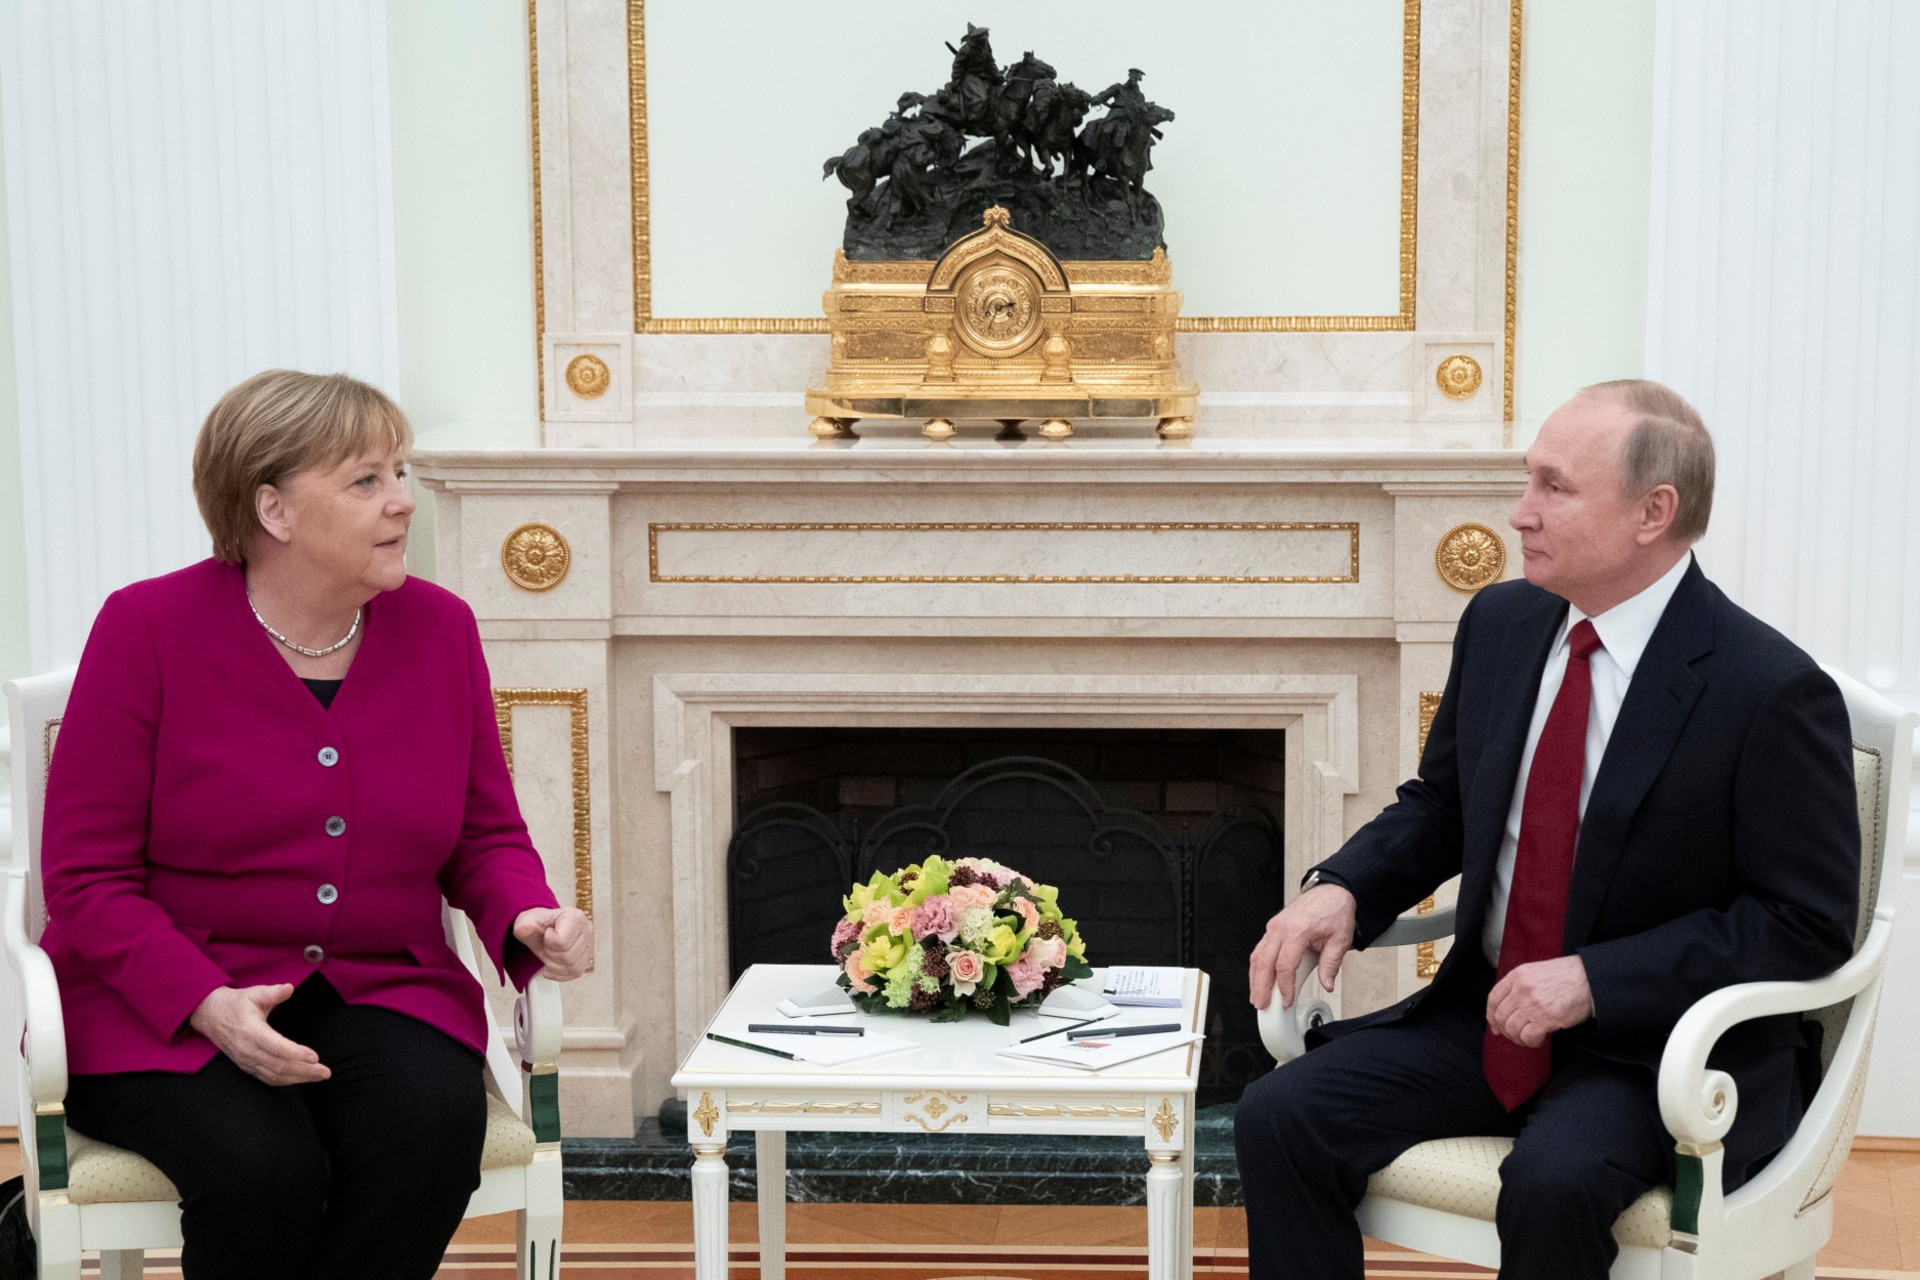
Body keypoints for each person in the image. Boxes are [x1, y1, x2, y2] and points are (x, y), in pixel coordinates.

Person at [1235, 380, 1860, 1280]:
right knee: (1277, 1114)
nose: (1521, 514)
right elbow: (1443, 806)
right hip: (1483, 1015)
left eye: (1554, 488)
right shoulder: (1502, 622)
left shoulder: (1767, 689)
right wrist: (1344, 888)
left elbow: (1803, 923)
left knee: (1555, 1182)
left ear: (1655, 511)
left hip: (1656, 1054)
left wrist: (1596, 980)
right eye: (1529, 481)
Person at [40, 370, 596, 1280]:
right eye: (366, 480)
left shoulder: (441, 629)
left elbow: (481, 836)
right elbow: (86, 880)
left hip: (381, 983)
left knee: (427, 1135)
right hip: (165, 1000)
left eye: (402, 473)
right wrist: (204, 1002)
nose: (404, 502)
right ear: (274, 509)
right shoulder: (147, 628)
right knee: (264, 1169)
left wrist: (524, 917)